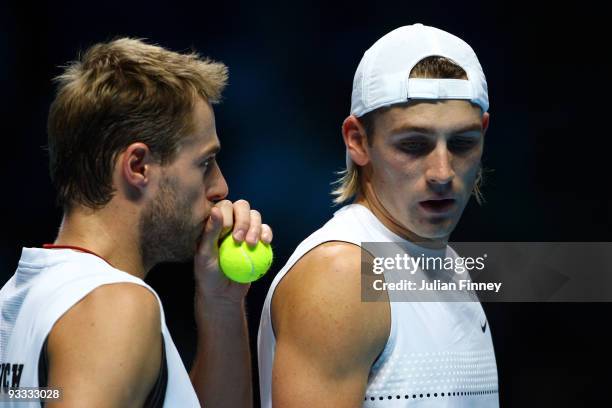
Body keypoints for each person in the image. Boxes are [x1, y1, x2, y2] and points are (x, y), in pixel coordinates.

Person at [0, 38, 271, 407]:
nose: (220, 187)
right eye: (204, 163)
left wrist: (221, 303)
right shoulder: (116, 305)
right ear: (137, 166)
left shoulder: (18, 298)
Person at [258, 23, 499, 407]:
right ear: (357, 140)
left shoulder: (449, 263)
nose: (442, 172)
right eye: (414, 145)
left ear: (484, 133)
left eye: (462, 143)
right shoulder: (341, 275)